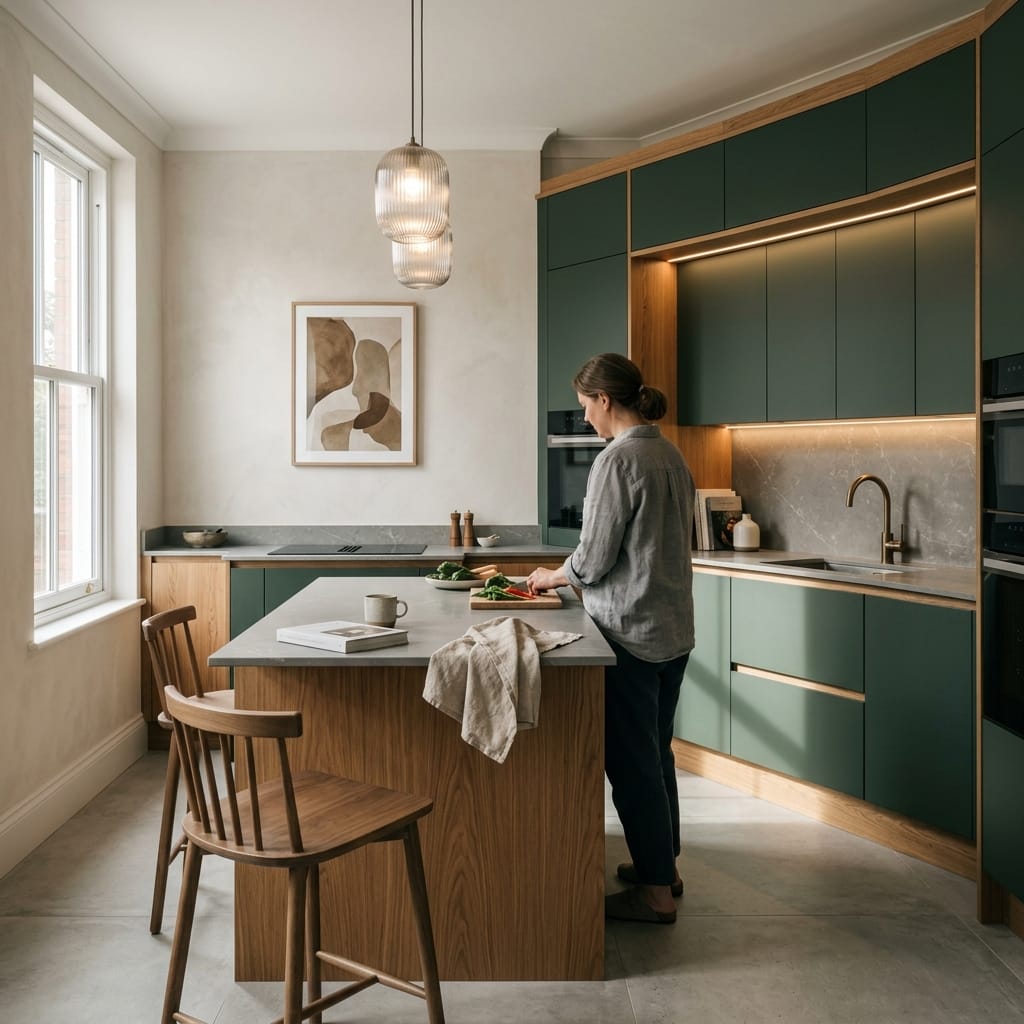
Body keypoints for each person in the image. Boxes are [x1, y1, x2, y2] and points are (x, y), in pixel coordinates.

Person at [525, 353, 695, 925]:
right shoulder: (669, 454)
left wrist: (556, 575)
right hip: (673, 631)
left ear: (604, 400)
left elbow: (594, 559)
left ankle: (653, 894)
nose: (585, 421)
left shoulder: (617, 461)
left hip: (628, 633)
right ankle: (663, 867)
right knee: (657, 752)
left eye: (585, 408)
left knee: (632, 764)